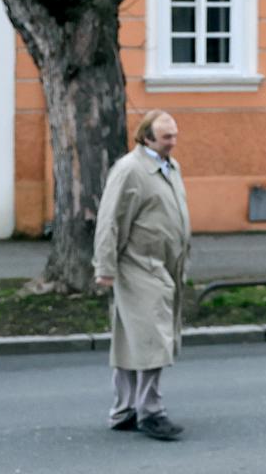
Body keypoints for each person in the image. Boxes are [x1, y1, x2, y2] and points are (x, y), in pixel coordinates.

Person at [93, 109, 192, 441]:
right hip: (138, 265)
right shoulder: (130, 169)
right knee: (153, 339)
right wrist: (104, 268)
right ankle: (151, 412)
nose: (173, 141)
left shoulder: (169, 166)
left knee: (131, 341)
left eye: (175, 135)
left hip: (163, 266)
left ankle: (124, 411)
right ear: (146, 137)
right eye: (167, 137)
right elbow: (109, 220)